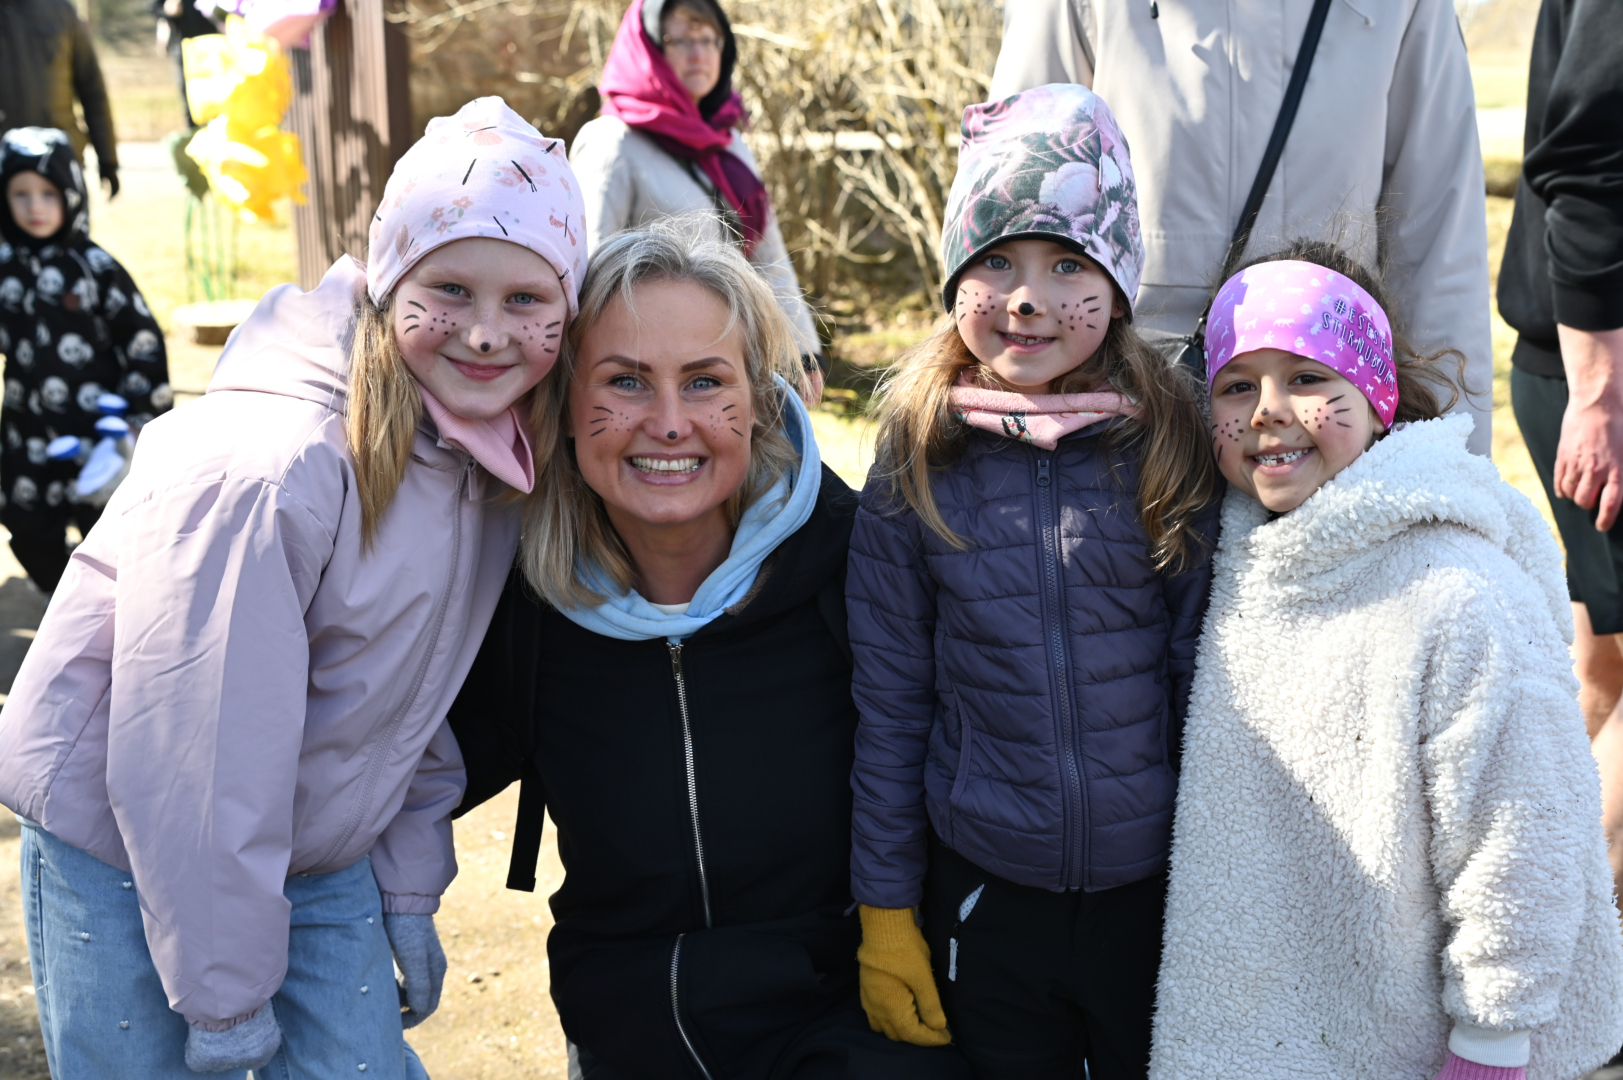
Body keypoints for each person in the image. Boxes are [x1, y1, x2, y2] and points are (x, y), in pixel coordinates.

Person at [0, 97, 588, 1079]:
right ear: (388, 279)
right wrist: (226, 998)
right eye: (450, 288)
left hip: (306, 840)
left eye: (527, 299)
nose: (487, 333)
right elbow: (195, 753)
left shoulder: (483, 457)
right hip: (124, 844)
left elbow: (404, 703)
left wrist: (405, 888)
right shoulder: (275, 470)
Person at [446, 221, 971, 1080]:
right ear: (565, 407)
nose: (668, 423)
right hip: (630, 1025)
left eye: (704, 382)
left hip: (848, 1019)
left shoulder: (860, 565)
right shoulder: (520, 601)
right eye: (624, 382)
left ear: (759, 401)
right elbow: (399, 776)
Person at [1149, 242, 1623, 1080]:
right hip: (1269, 1033)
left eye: (1306, 378)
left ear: (1376, 396)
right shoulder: (1233, 561)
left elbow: (1522, 834)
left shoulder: (1457, 592)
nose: (1267, 410)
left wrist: (1491, 1041)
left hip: (1420, 1049)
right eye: (1236, 385)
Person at [845, 84, 1220, 1079]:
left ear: (1120, 282)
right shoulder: (918, 457)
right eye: (996, 260)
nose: (1027, 297)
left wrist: (1227, 876)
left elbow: (1201, 676)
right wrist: (885, 907)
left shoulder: (1167, 441)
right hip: (987, 894)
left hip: (1156, 897)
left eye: (1068, 264)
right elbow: (891, 701)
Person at [988, 0, 1493, 455]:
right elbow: (1012, 205)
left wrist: (1453, 465)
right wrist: (1007, 449)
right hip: (1122, 418)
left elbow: (1438, 248)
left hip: (1327, 424)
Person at [1497, 0, 1623, 905]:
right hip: (1602, 377)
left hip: (1588, 374)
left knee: (1605, 670)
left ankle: (1534, 930)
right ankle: (1569, 945)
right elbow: (1586, 155)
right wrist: (1599, 394)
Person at [569, 0, 824, 392]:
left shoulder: (728, 142)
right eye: (681, 40)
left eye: (709, 39)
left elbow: (768, 256)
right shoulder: (612, 141)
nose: (699, 53)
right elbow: (587, 270)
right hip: (644, 368)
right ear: (648, 48)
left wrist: (800, 353)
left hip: (725, 356)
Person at [0, 126, 170, 592]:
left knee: (108, 525)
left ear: (71, 194)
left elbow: (142, 341)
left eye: (48, 193)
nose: (34, 207)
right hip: (27, 430)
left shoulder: (95, 268)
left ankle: (108, 605)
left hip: (97, 429)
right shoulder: (5, 266)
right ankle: (59, 596)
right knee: (27, 524)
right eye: (20, 194)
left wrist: (141, 421)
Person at [0, 0, 119, 196]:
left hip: (59, 163)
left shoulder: (59, 9)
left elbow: (91, 88)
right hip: (4, 165)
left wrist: (107, 159)